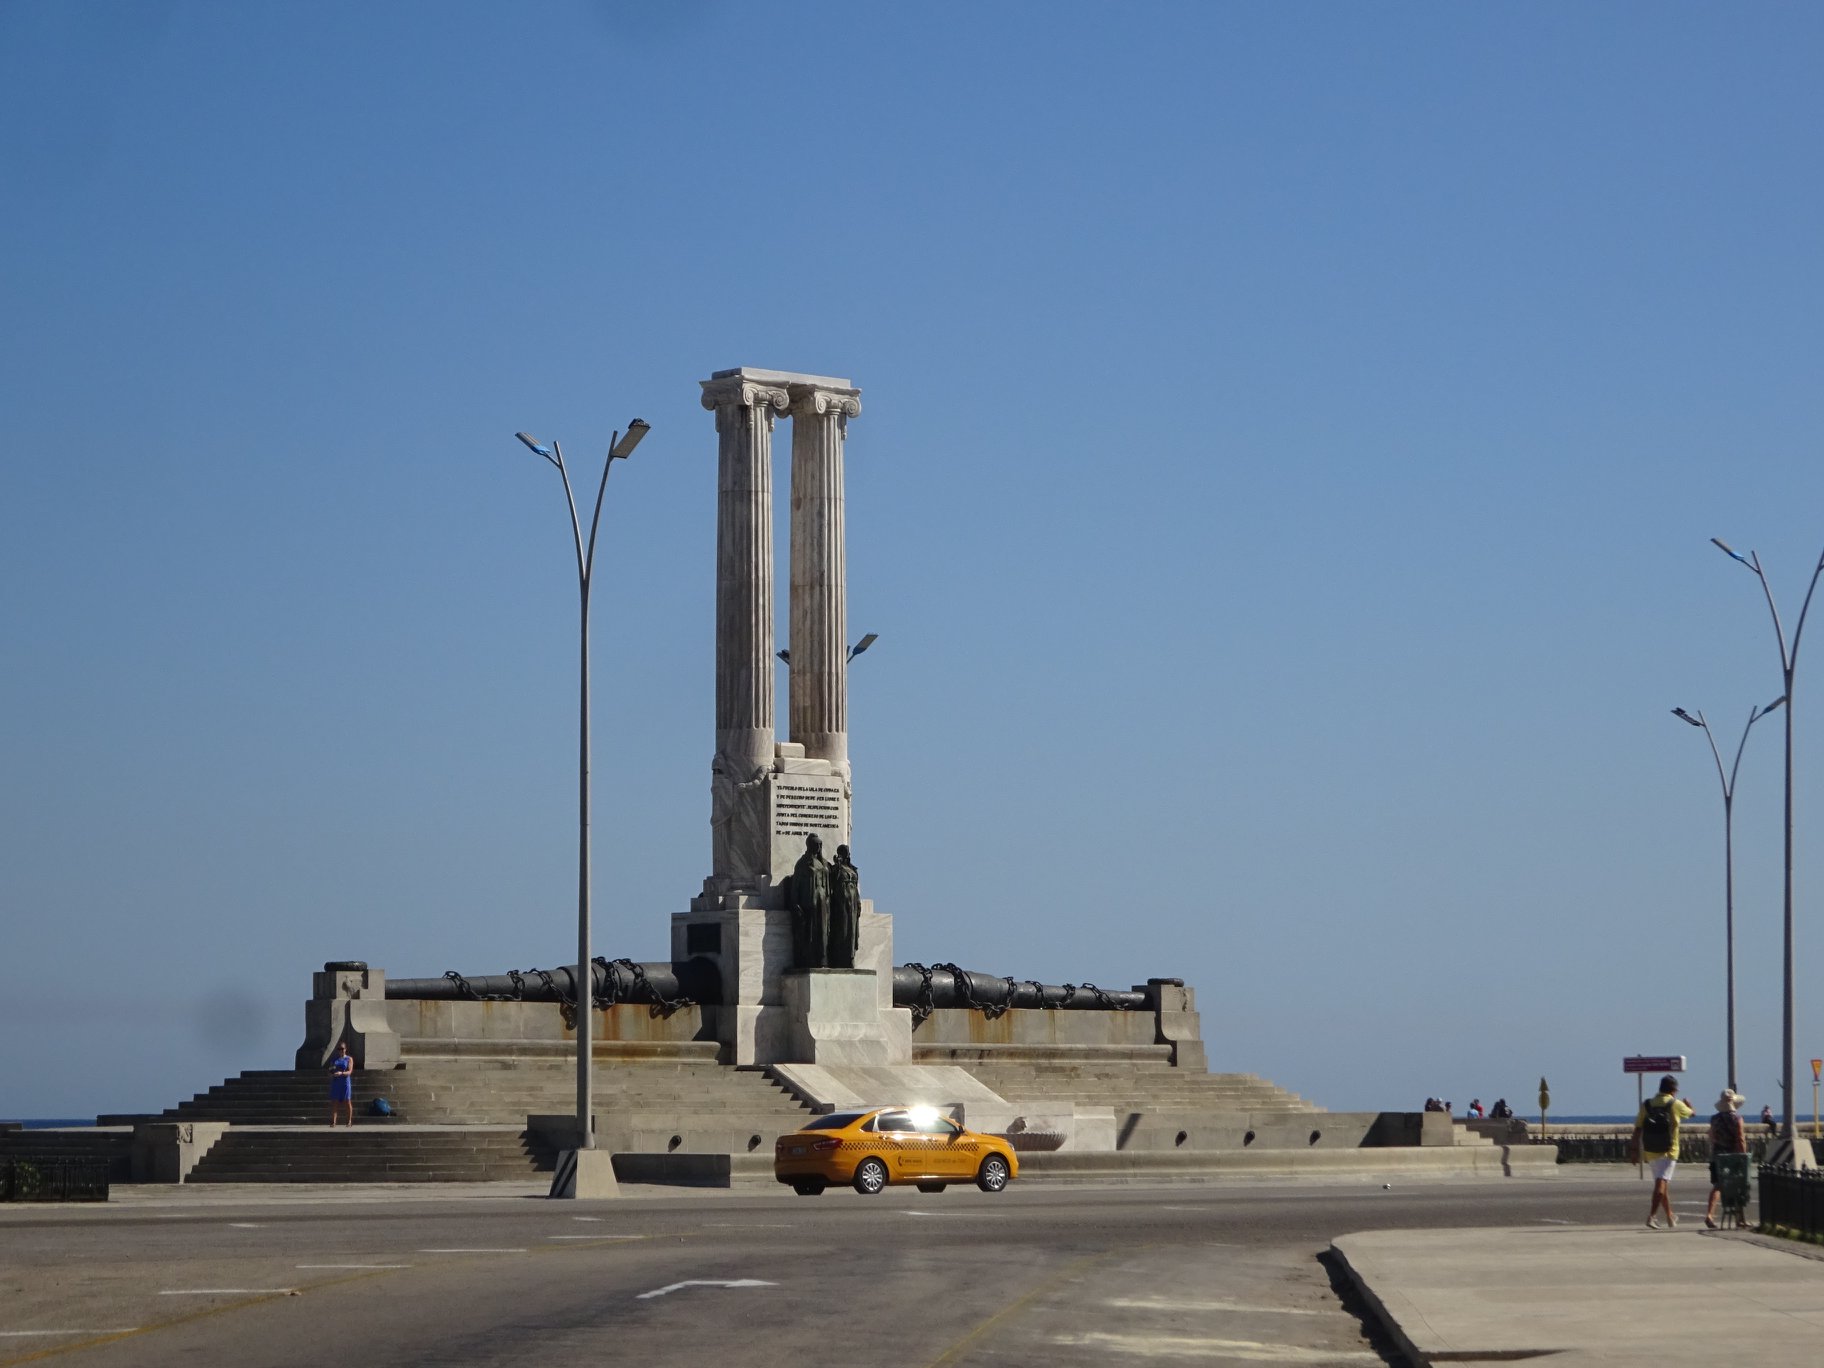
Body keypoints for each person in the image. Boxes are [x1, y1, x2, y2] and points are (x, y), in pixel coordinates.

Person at [1633, 1074, 1694, 1228]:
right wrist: (1689, 1105)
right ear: (1673, 1090)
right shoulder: (1676, 1104)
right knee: (1661, 1185)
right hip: (1669, 1151)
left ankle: (1670, 1216)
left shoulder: (1647, 1104)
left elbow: (1638, 1128)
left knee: (1662, 1184)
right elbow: (1692, 1114)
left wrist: (1633, 1149)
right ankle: (1652, 1216)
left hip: (1650, 1150)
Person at [786, 834, 831, 969]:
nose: (819, 847)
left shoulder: (823, 863)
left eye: (820, 845)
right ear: (809, 845)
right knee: (810, 932)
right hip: (808, 902)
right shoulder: (803, 863)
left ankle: (823, 960)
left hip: (822, 900)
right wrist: (795, 903)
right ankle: (810, 960)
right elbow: (796, 885)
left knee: (822, 931)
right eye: (816, 844)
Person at [1705, 1089, 1747, 1229]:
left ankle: (1710, 1215)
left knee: (1717, 1185)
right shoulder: (1737, 1119)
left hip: (1717, 1156)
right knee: (1737, 1186)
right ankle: (1739, 1218)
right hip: (1732, 1157)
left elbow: (1711, 1136)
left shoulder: (1714, 1118)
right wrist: (1743, 1154)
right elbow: (1740, 1138)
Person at [828, 844, 861, 970]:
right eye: (845, 852)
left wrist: (858, 902)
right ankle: (840, 958)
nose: (847, 854)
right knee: (842, 929)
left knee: (851, 932)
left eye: (848, 852)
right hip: (841, 903)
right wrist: (838, 866)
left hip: (852, 903)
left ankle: (850, 957)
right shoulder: (837, 868)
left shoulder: (853, 869)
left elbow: (856, 888)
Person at [328, 1041, 355, 1127]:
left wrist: (341, 1073)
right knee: (334, 1101)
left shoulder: (349, 1059)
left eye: (342, 1049)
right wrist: (332, 1074)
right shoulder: (334, 1060)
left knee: (347, 1101)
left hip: (345, 1081)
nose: (341, 1050)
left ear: (345, 1049)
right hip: (336, 1082)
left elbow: (349, 1071)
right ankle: (333, 1122)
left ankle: (349, 1121)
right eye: (339, 1049)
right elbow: (330, 1070)